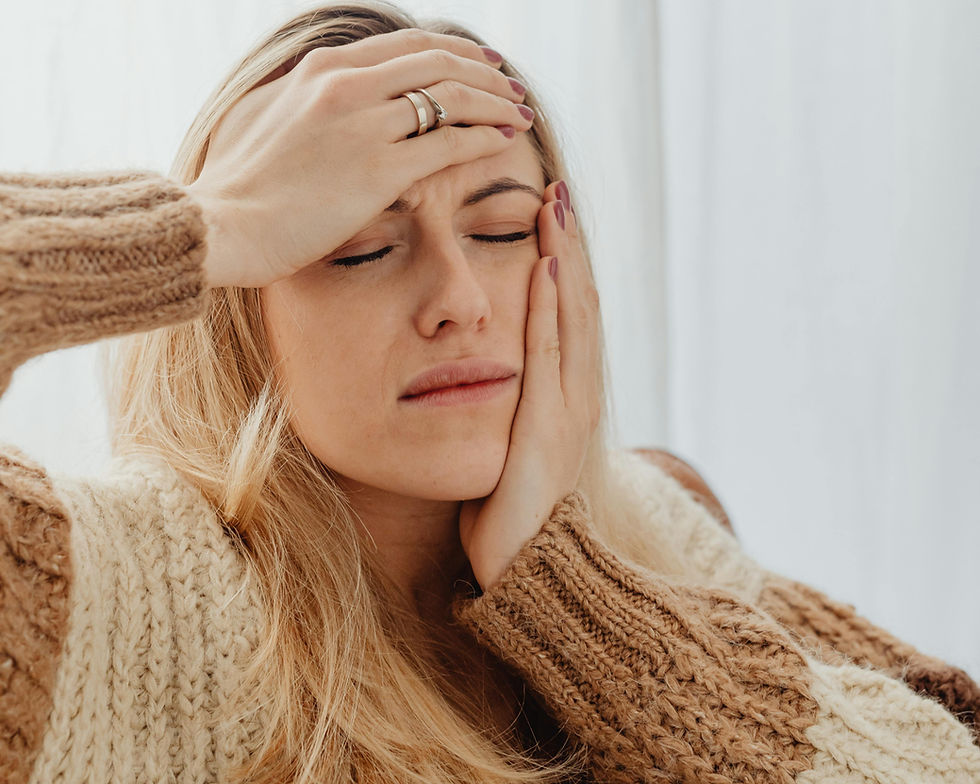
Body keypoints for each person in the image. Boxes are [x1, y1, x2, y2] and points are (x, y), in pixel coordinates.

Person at [1, 3, 977, 783]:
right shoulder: (125, 593)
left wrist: (575, 597)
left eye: (504, 229)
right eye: (359, 247)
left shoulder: (650, 524)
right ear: (237, 307)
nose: (459, 301)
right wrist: (198, 224)